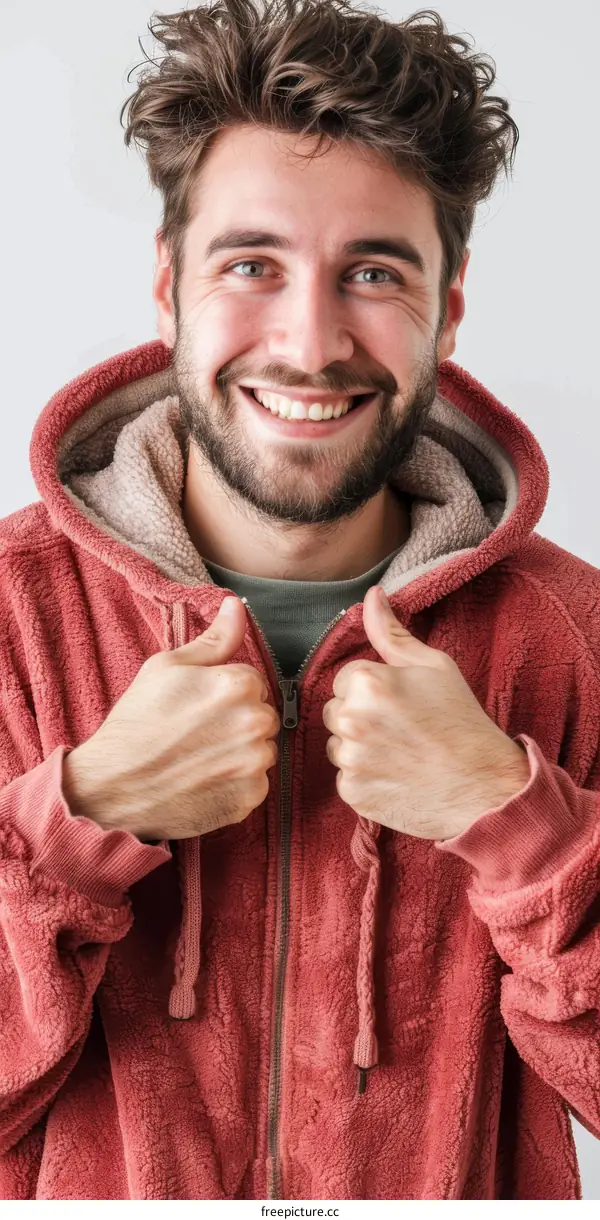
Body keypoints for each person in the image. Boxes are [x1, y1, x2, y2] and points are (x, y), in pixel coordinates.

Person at [0, 0, 598, 1202]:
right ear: (170, 289)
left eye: (373, 271)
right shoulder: (14, 615)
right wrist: (80, 821)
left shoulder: (572, 632)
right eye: (252, 265)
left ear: (451, 304)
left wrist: (522, 825)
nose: (312, 341)